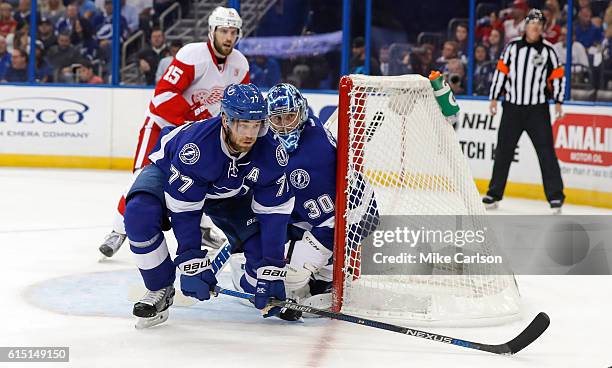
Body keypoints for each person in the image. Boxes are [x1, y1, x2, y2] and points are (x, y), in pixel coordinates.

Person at [126, 83, 294, 328]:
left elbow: (275, 214)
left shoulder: (271, 152)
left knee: (259, 249)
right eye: (243, 125)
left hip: (229, 192)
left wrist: (272, 267)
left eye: (256, 125)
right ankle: (159, 287)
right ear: (226, 120)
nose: (250, 134)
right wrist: (191, 261)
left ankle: (253, 284)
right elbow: (185, 211)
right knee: (139, 214)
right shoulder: (196, 149)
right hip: (169, 170)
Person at [99, 6, 250, 258]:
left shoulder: (240, 65)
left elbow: (241, 102)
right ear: (212, 31)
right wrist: (194, 117)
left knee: (203, 179)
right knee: (142, 178)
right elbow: (163, 96)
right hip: (163, 127)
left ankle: (202, 228)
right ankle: (118, 230)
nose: (228, 38)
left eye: (233, 32)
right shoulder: (193, 55)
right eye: (223, 31)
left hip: (197, 135)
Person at [485, 9, 566, 214]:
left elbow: (557, 76)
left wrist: (558, 101)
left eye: (539, 24)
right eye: (532, 23)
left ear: (542, 28)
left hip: (537, 109)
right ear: (526, 26)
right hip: (512, 107)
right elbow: (501, 72)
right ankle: (494, 194)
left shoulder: (548, 50)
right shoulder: (512, 48)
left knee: (546, 152)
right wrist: (494, 97)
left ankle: (555, 197)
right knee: (503, 151)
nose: (535, 27)